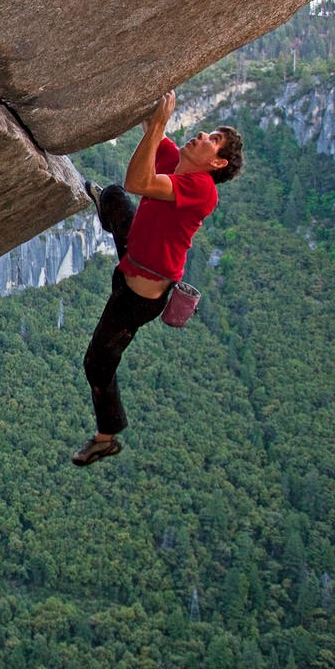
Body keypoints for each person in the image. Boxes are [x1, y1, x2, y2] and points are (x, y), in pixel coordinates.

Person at [72, 90, 244, 466]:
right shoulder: (177, 161)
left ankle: (105, 437)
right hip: (134, 255)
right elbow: (150, 127)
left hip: (139, 297)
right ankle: (107, 209)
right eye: (209, 131)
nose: (202, 135)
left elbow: (140, 180)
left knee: (97, 362)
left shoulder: (202, 191)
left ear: (217, 163)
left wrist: (162, 123)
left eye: (214, 140)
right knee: (115, 198)